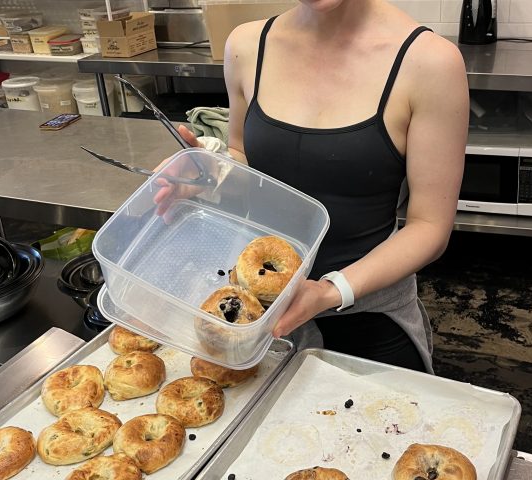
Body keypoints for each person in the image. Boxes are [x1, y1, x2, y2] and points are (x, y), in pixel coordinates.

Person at [163, 0, 468, 373]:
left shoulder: (429, 63)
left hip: (368, 320)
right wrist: (209, 175)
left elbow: (430, 226)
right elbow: (243, 154)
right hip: (258, 318)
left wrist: (328, 290)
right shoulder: (247, 46)